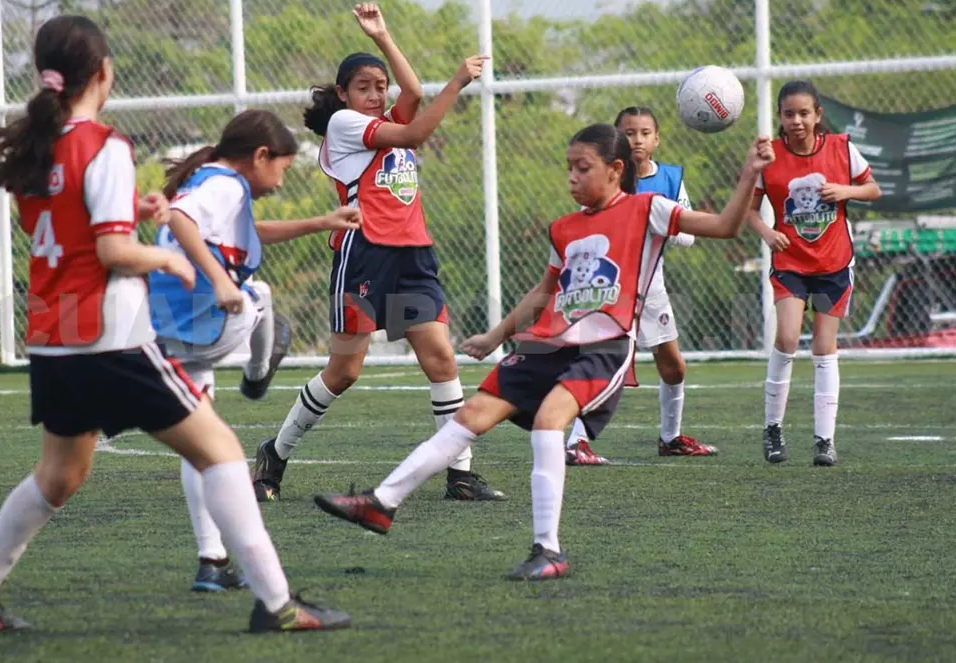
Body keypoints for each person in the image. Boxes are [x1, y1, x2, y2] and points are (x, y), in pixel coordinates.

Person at [0, 14, 348, 633]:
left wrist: (134, 208)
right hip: (110, 335)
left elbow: (67, 227)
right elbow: (110, 253)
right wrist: (165, 259)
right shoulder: (103, 144)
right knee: (222, 452)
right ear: (103, 72)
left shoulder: (37, 147)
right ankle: (277, 604)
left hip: (52, 333)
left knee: (59, 475)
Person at [313, 124, 774, 580]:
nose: (572, 177)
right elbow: (542, 293)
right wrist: (495, 337)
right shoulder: (564, 229)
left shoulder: (648, 208)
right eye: (568, 168)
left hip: (604, 346)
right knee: (471, 415)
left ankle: (548, 549)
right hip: (547, 343)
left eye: (583, 168)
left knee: (551, 420)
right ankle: (382, 503)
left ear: (616, 169)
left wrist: (750, 173)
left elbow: (725, 226)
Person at [255, 2, 504, 502]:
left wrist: (383, 37)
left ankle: (460, 474)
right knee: (344, 371)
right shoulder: (345, 125)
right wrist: (456, 82)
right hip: (365, 254)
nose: (375, 95)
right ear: (343, 95)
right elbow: (416, 132)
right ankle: (275, 454)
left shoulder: (384, 115)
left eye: (379, 86)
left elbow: (413, 96)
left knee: (441, 360)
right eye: (363, 87)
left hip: (412, 255)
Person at [147, 108, 361, 592]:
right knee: (259, 295)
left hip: (168, 326)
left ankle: (211, 560)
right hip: (203, 321)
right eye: (282, 167)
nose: (281, 181)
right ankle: (259, 369)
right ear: (261, 155)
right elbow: (180, 219)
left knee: (198, 442)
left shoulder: (208, 180)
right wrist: (223, 281)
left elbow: (241, 232)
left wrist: (320, 222)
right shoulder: (225, 184)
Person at [565, 106, 717, 465]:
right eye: (629, 133)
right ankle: (577, 441)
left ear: (657, 138)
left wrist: (664, 223)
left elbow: (687, 237)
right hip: (611, 286)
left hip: (651, 286)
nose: (637, 139)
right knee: (606, 363)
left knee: (674, 367)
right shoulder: (607, 178)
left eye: (645, 133)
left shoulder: (670, 179)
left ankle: (670, 438)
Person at [746, 80, 881, 467]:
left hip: (832, 267)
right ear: (779, 117)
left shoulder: (841, 148)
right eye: (789, 114)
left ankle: (825, 440)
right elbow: (748, 210)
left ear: (818, 115)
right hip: (791, 265)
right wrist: (767, 232)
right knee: (787, 337)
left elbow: (873, 189)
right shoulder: (769, 157)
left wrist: (846, 191)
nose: (797, 120)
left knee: (824, 347)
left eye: (804, 113)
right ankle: (773, 429)